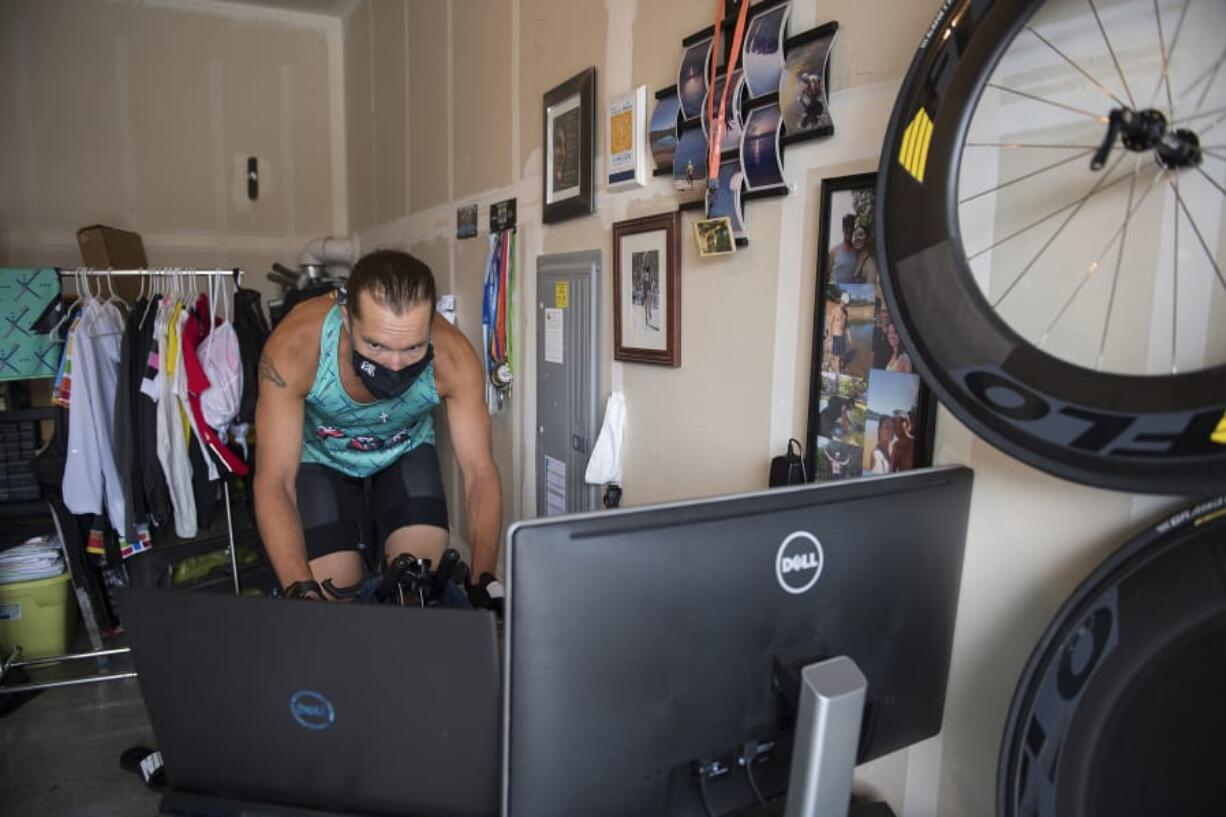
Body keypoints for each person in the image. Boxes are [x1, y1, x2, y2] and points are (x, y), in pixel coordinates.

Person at [254, 250, 502, 602]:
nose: (396, 365)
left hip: (404, 452)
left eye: (414, 348)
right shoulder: (295, 348)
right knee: (332, 596)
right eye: (376, 345)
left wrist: (482, 578)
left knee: (416, 589)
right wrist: (300, 589)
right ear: (346, 318)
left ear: (431, 325)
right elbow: (274, 480)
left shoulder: (454, 358)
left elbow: (479, 472)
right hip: (321, 459)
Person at [830, 214, 858, 284]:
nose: (849, 230)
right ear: (843, 229)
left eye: (851, 227)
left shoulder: (858, 253)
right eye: (846, 227)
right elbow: (826, 274)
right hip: (837, 293)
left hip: (853, 292)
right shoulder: (834, 252)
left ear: (854, 230)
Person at [827, 291, 850, 374]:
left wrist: (849, 336)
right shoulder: (834, 310)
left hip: (842, 336)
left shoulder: (846, 312)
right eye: (844, 303)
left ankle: (839, 368)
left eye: (846, 304)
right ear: (841, 300)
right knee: (837, 357)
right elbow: (830, 324)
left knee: (841, 356)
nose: (845, 305)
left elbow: (846, 325)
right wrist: (829, 338)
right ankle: (838, 372)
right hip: (836, 336)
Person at [872, 301, 893, 370]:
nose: (886, 315)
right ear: (880, 313)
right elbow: (872, 354)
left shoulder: (896, 335)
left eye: (888, 312)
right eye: (883, 311)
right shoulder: (874, 331)